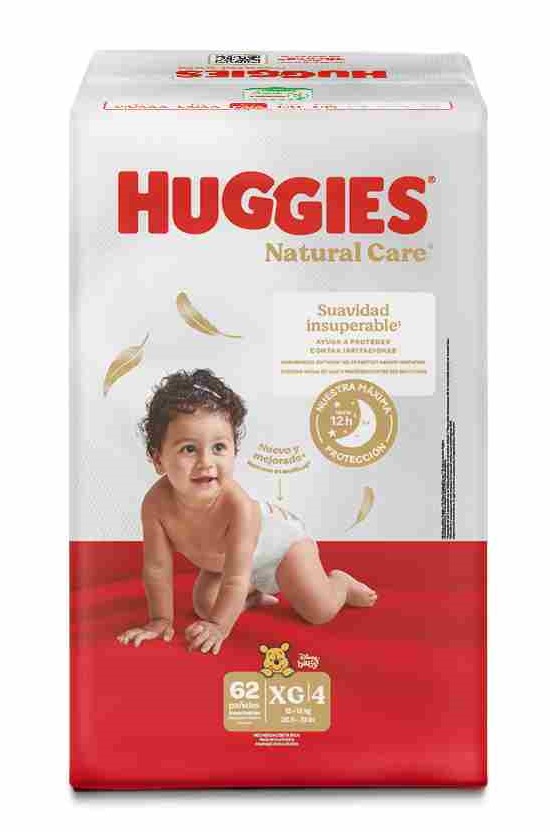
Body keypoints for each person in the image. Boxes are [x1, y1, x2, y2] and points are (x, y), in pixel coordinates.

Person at [117, 369, 377, 655]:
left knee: (320, 609)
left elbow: (235, 579)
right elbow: (157, 567)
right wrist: (160, 620)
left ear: (234, 451)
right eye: (189, 449)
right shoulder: (155, 504)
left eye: (218, 447)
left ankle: (340, 584)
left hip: (281, 549)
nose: (206, 462)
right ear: (158, 459)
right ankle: (253, 595)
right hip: (231, 566)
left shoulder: (238, 507)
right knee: (205, 605)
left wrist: (219, 626)